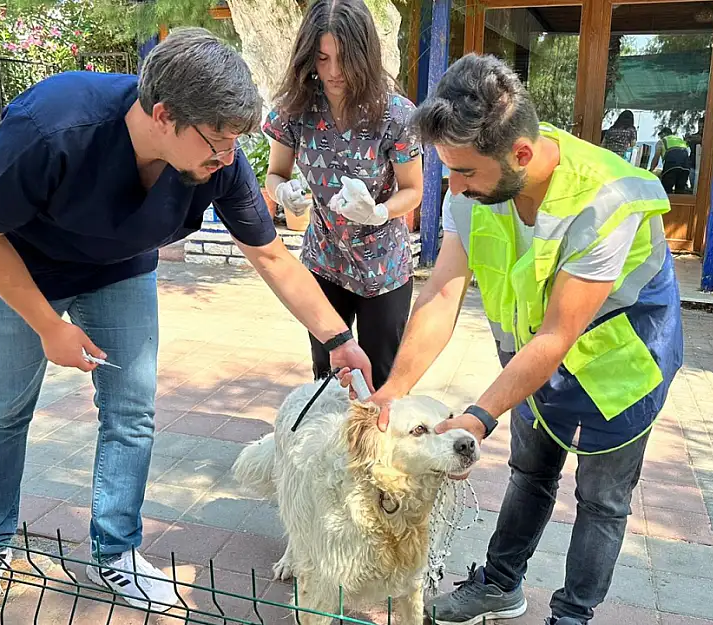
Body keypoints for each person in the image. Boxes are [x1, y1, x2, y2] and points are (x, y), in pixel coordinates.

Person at [0, 28, 373, 617]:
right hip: (18, 270)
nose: (228, 157)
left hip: (119, 271)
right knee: (2, 411)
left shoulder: (217, 160)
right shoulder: (53, 127)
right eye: (218, 141)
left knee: (132, 412)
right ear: (164, 113)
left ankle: (117, 552)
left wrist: (338, 338)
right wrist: (49, 326)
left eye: (235, 142)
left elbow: (272, 254)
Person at [344, 54, 684, 625]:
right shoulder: (472, 191)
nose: (453, 188)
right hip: (530, 356)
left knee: (602, 500)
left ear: (519, 155)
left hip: (621, 361)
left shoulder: (608, 199)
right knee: (531, 471)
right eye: (448, 170)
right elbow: (442, 294)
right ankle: (500, 585)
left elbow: (559, 333)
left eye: (467, 173)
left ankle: (572, 616)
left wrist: (478, 417)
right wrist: (393, 391)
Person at [263, 0, 423, 390]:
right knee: (328, 377)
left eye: (344, 59)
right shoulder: (296, 109)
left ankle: (374, 451)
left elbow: (414, 190)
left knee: (380, 379)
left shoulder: (395, 114)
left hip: (383, 269)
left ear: (365, 55)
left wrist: (380, 212)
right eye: (321, 58)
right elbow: (274, 173)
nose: (333, 72)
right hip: (324, 262)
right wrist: (282, 192)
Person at [650, 127, 691, 194]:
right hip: (685, 166)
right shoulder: (680, 140)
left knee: (666, 191)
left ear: (664, 134)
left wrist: (651, 171)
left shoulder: (662, 141)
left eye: (660, 136)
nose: (660, 138)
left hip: (672, 164)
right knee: (680, 191)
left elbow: (656, 158)